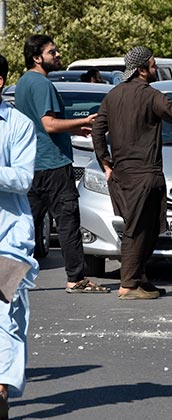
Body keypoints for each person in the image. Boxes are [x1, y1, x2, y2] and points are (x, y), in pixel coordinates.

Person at [91, 46, 172, 300]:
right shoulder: (151, 96)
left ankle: (139, 278)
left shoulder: (112, 96)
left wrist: (106, 162)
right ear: (141, 70)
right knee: (137, 229)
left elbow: (97, 131)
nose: (156, 68)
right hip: (144, 175)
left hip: (123, 176)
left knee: (148, 230)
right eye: (152, 64)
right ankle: (127, 284)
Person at [15, 35, 108, 294]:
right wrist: (81, 124)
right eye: (51, 51)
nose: (57, 55)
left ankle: (7, 281)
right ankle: (76, 278)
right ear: (37, 58)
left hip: (31, 163)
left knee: (26, 225)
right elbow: (49, 124)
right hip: (53, 164)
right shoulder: (42, 85)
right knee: (67, 221)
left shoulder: (22, 83)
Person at [0, 52, 39, 420]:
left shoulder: (19, 125)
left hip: (9, 238)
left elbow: (23, 178)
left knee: (6, 313)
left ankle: (1, 387)